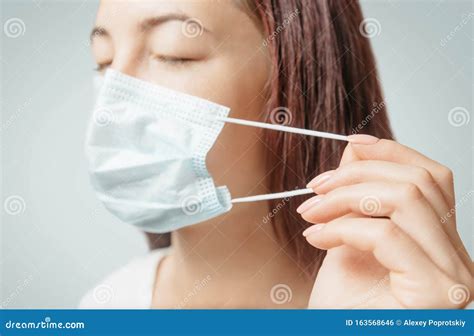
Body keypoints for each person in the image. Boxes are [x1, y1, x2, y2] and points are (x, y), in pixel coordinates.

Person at [79, 0, 473, 309]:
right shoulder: (106, 305)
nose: (112, 100)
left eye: (174, 53)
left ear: (297, 80)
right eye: (103, 61)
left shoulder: (404, 302)